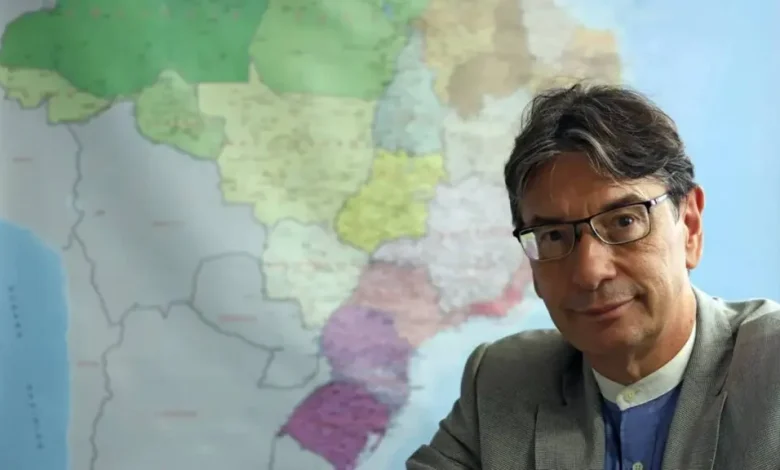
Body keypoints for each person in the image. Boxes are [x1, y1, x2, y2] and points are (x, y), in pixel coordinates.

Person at [405, 83, 780, 470]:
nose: (589, 272)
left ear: (690, 225)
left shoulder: (771, 367)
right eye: (553, 236)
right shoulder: (503, 381)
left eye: (624, 221)